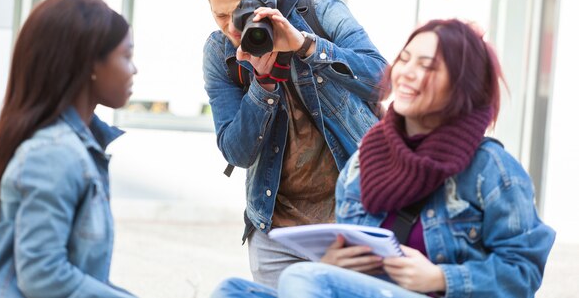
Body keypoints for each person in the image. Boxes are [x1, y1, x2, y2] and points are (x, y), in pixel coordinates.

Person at [210, 18, 556, 298]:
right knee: (233, 291)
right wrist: (335, 264)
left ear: (461, 86)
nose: (407, 73)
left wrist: (441, 278)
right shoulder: (366, 161)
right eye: (405, 59)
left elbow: (522, 273)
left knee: (305, 280)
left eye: (429, 67)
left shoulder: (490, 169)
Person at [196, 0, 387, 287]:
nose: (231, 28)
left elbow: (381, 80)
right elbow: (236, 152)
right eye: (219, 16)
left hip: (350, 222)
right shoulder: (219, 53)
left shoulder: (323, 13)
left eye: (240, 11)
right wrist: (263, 87)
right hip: (276, 234)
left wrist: (306, 46)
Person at [0, 0, 139, 298]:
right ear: (90, 64)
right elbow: (43, 275)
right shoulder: (54, 153)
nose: (133, 69)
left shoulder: (77, 147)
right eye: (126, 56)